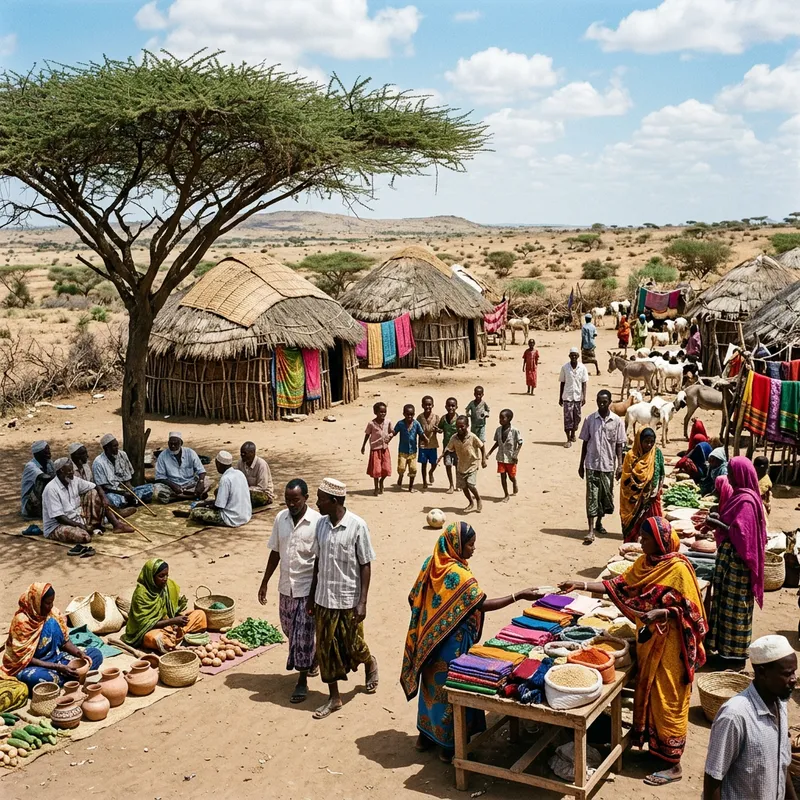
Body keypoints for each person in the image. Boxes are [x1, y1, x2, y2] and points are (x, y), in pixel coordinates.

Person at [561, 517, 708, 787]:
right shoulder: (644, 564)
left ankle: (673, 764)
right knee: (651, 695)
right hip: (650, 643)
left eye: (646, 538)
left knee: (668, 700)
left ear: (660, 541)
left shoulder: (678, 569)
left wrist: (664, 612)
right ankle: (657, 752)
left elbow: (694, 615)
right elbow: (618, 586)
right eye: (641, 537)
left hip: (672, 650)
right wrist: (580, 585)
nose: (641, 542)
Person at [401, 522, 543, 762]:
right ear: (456, 545)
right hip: (452, 645)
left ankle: (424, 737)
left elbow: (413, 597)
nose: (473, 549)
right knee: (453, 689)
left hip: (429, 642)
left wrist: (432, 622)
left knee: (430, 689)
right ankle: (449, 746)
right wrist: (518, 595)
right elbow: (480, 604)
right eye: (470, 544)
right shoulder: (460, 575)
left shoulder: (432, 563)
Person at [307, 478, 379, 720]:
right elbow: (317, 562)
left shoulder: (357, 526)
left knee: (354, 645)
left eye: (321, 499)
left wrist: (363, 601)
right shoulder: (320, 525)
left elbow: (365, 564)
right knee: (325, 649)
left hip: (348, 599)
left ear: (334, 500)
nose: (317, 503)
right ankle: (334, 697)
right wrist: (311, 597)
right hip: (324, 598)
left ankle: (369, 662)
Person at [703, 635, 797, 800]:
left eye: (794, 672)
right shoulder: (735, 716)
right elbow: (712, 779)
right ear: (762, 672)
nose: (794, 679)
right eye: (787, 674)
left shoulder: (780, 703)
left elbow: (781, 765)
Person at [259, 479, 321, 703]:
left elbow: (321, 560)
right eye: (287, 500)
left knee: (302, 635)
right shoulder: (280, 519)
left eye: (295, 500)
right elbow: (275, 551)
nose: (291, 504)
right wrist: (265, 581)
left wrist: (316, 593)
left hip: (307, 588)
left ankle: (301, 680)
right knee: (289, 629)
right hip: (286, 587)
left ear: (306, 498)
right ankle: (312, 659)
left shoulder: (317, 522)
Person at [705, 457, 767, 669]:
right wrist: (720, 518)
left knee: (735, 610)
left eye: (731, 473)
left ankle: (734, 657)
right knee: (726, 607)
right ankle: (725, 653)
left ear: (741, 475)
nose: (729, 477)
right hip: (731, 563)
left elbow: (741, 535)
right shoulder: (741, 496)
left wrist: (718, 523)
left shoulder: (747, 501)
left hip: (738, 565)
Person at [1, 583, 104, 690]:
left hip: (58, 658)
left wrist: (80, 653)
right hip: (35, 665)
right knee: (34, 678)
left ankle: (67, 678)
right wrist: (57, 667)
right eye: (47, 603)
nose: (51, 606)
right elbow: (23, 658)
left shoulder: (53, 613)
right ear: (36, 602)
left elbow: (65, 642)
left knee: (95, 654)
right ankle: (71, 677)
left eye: (52, 602)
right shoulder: (22, 622)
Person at [42, 457, 130, 549]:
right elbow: (60, 518)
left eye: (72, 470)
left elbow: (95, 486)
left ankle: (102, 524)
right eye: (69, 471)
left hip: (76, 518)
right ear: (61, 471)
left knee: (93, 492)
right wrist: (79, 525)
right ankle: (89, 528)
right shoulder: (51, 489)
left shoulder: (74, 480)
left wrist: (104, 498)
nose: (72, 473)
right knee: (84, 537)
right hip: (57, 526)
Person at [122, 559, 207, 652]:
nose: (165, 579)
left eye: (167, 575)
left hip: (169, 624)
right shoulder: (141, 595)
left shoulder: (166, 586)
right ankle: (174, 638)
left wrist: (177, 616)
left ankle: (178, 634)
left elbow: (173, 610)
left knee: (200, 614)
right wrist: (172, 621)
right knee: (156, 638)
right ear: (151, 577)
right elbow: (144, 625)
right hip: (147, 631)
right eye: (161, 576)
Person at [578, 390, 626, 544]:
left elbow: (619, 445)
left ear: (610, 402)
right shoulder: (590, 420)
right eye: (599, 401)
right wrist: (581, 464)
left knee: (605, 497)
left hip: (608, 465)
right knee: (592, 497)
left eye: (605, 402)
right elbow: (585, 443)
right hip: (591, 464)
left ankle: (599, 522)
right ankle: (590, 530)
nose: (602, 404)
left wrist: (620, 465)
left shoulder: (617, 421)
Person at [620, 428, 665, 543]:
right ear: (639, 441)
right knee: (634, 529)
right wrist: (640, 490)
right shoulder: (631, 456)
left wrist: (654, 490)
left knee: (654, 528)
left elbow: (661, 474)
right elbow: (626, 480)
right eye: (646, 442)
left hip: (652, 499)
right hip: (634, 501)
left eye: (652, 442)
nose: (649, 445)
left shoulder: (657, 454)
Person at [189, 450, 252, 527]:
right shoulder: (239, 473)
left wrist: (204, 505)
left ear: (218, 464)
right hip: (245, 516)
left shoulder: (225, 479)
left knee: (195, 512)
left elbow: (219, 506)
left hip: (232, 518)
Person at [92, 433, 153, 511]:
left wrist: (131, 490)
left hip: (125, 490)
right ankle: (129, 502)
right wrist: (123, 493)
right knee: (111, 499)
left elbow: (127, 481)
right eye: (114, 446)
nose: (117, 448)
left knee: (150, 488)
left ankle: (131, 500)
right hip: (112, 492)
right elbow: (103, 487)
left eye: (117, 445)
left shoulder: (122, 455)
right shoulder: (98, 462)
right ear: (106, 448)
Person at [444, 415, 486, 513]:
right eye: (457, 426)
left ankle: (478, 499)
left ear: (467, 425)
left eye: (462, 426)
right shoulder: (454, 438)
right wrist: (444, 455)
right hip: (461, 466)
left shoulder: (472, 437)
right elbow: (449, 448)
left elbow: (482, 446)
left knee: (471, 484)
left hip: (472, 464)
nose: (459, 429)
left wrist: (483, 459)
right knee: (464, 486)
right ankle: (471, 502)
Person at [153, 432, 210, 503]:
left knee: (206, 480)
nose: (173, 446)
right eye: (171, 443)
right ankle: (192, 496)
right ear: (168, 443)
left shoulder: (190, 452)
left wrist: (200, 482)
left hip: (190, 484)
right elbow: (160, 477)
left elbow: (201, 471)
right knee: (157, 489)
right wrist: (173, 485)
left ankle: (176, 497)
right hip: (171, 485)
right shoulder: (162, 455)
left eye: (175, 443)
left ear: (181, 443)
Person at [487, 409, 523, 502]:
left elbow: (520, 443)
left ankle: (514, 482)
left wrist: (515, 454)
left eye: (503, 418)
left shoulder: (514, 431)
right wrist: (489, 452)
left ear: (509, 419)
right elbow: (497, 443)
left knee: (511, 476)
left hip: (510, 458)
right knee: (503, 477)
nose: (500, 420)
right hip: (500, 457)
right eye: (500, 418)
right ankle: (506, 494)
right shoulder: (498, 430)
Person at [559, 347, 589, 448]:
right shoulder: (565, 368)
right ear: (569, 356)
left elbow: (584, 383)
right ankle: (568, 439)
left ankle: (573, 433)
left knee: (577, 417)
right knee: (568, 418)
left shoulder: (582, 368)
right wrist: (560, 397)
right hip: (567, 397)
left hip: (577, 396)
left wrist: (584, 396)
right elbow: (562, 383)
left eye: (575, 355)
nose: (574, 357)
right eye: (572, 355)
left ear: (578, 356)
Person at [391, 403, 424, 492]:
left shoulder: (416, 424)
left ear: (414, 414)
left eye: (411, 414)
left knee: (413, 469)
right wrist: (389, 437)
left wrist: (425, 440)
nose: (409, 416)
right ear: (404, 414)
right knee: (401, 468)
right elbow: (394, 432)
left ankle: (410, 487)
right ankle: (400, 476)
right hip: (402, 451)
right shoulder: (400, 423)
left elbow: (421, 433)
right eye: (407, 414)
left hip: (413, 451)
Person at [361, 402, 392, 496]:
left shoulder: (388, 422)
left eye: (384, 412)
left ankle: (381, 481)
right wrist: (363, 446)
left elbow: (392, 431)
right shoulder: (371, 424)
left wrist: (390, 437)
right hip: (375, 449)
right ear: (375, 412)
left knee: (386, 469)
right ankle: (376, 488)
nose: (383, 414)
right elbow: (367, 434)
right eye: (381, 412)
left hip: (384, 449)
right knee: (376, 470)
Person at [20, 440, 55, 518]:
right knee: (42, 482)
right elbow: (44, 478)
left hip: (42, 500)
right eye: (45, 451)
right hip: (29, 503)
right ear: (37, 454)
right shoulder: (30, 466)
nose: (49, 453)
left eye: (48, 450)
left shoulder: (49, 463)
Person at [236, 442, 274, 508]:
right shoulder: (240, 463)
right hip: (247, 492)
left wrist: (245, 490)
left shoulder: (261, 464)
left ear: (252, 453)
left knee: (243, 498)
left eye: (244, 453)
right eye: (241, 453)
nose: (242, 455)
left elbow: (262, 487)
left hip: (263, 494)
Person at [416, 396, 440, 490]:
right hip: (423, 445)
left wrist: (438, 430)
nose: (427, 406)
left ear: (433, 405)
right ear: (422, 405)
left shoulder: (436, 417)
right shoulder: (419, 417)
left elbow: (440, 429)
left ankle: (431, 472)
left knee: (434, 463)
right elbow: (417, 429)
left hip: (433, 444)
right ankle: (424, 481)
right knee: (423, 464)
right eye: (425, 404)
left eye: (429, 404)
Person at [438, 397, 459, 494]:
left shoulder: (458, 419)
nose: (451, 408)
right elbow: (440, 428)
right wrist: (439, 430)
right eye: (449, 406)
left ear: (456, 407)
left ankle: (458, 483)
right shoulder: (443, 418)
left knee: (457, 465)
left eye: (453, 406)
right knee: (448, 464)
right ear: (445, 407)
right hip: (447, 447)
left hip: (457, 447)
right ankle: (451, 484)